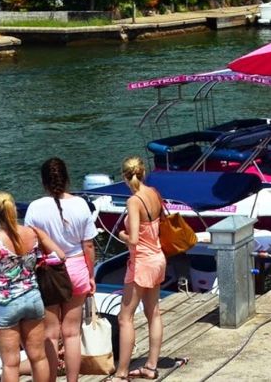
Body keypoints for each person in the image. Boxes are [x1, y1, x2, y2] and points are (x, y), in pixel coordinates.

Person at [0, 192, 58, 382]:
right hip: (32, 297)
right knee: (38, 356)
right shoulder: (32, 233)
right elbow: (51, 253)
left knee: (10, 363)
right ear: (14, 210)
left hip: (5, 303)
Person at [25, 158, 97, 382]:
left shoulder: (35, 208)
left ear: (44, 182)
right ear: (67, 179)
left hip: (48, 271)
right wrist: (91, 274)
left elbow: (29, 245)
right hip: (77, 268)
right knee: (72, 332)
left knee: (50, 333)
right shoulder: (81, 205)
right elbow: (88, 245)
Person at [111, 156, 166, 381]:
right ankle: (151, 366)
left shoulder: (134, 201)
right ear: (144, 173)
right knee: (153, 312)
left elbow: (133, 239)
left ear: (125, 177)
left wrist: (120, 234)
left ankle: (122, 372)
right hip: (157, 257)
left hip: (142, 262)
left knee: (125, 318)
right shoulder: (153, 192)